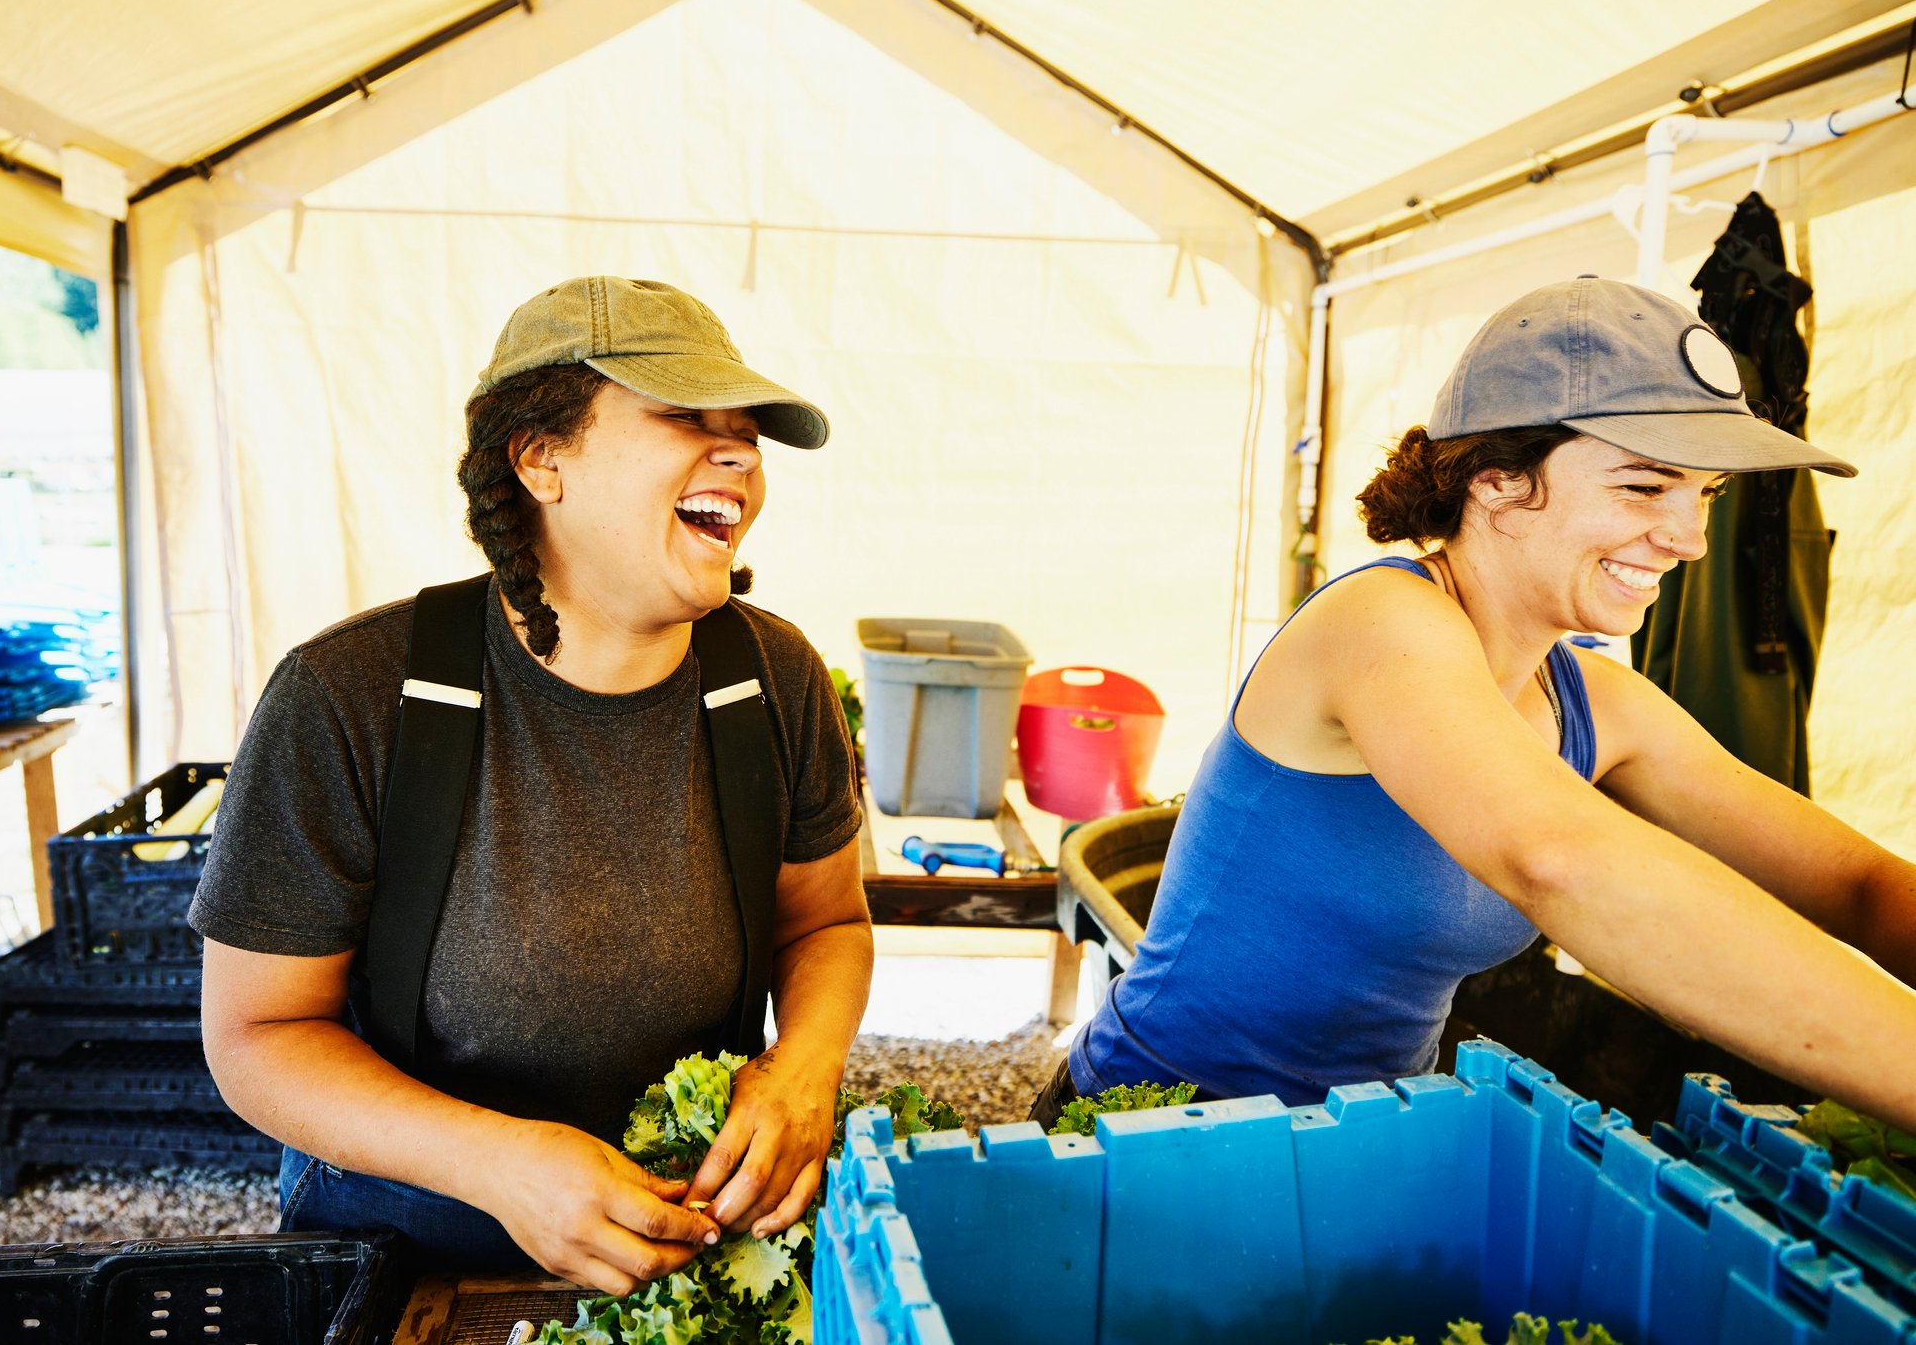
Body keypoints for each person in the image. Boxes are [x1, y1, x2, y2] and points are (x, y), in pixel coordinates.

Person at [1035, 275, 1916, 1132]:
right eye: (1645, 488)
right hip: (1150, 1133)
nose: (1688, 540)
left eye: (1706, 496)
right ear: (1494, 477)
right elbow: (1560, 858)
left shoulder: (1598, 705)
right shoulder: (1379, 621)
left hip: (1366, 1143)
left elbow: (1857, 884)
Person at [190, 277, 872, 1294]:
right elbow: (257, 1036)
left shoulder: (771, 680)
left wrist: (802, 1065)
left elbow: (824, 923)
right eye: (688, 417)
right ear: (540, 459)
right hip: (413, 1256)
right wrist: (501, 1164)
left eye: (746, 432)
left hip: (684, 1250)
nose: (737, 455)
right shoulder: (353, 696)